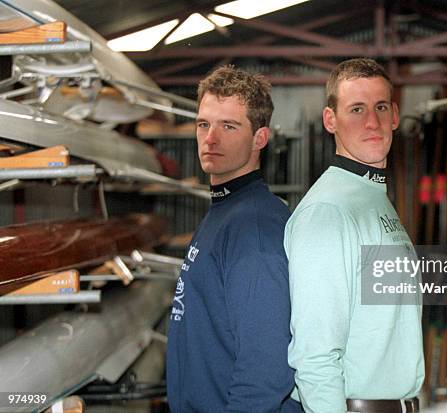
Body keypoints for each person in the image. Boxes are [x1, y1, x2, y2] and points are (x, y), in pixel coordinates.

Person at [284, 58, 425, 413]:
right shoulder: (327, 212)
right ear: (330, 120)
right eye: (356, 109)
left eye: (380, 107)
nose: (372, 122)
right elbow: (315, 356)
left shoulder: (371, 196)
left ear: (395, 115)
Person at [166, 66, 302, 413]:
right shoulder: (225, 212)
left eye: (229, 126)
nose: (210, 139)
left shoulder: (254, 228)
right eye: (203, 124)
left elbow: (267, 369)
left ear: (260, 138)